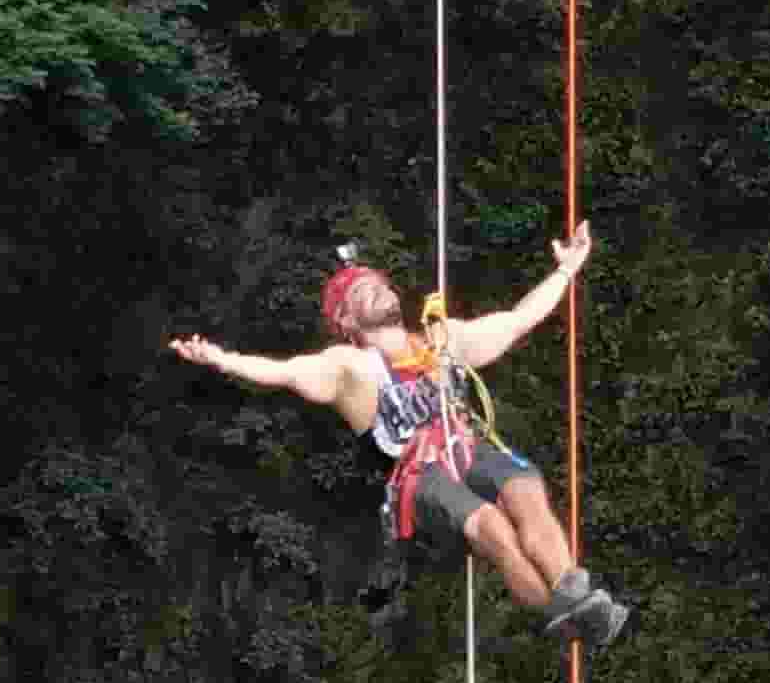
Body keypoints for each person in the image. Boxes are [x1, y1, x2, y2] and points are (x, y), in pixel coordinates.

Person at [170, 228, 636, 646]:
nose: (375, 290)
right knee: (494, 527)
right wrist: (223, 360)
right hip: (420, 477)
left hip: (468, 447)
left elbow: (518, 319)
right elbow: (286, 372)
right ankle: (564, 615)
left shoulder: (441, 341)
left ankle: (573, 590)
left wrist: (566, 270)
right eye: (361, 293)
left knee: (526, 492)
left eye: (378, 284)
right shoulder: (350, 367)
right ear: (346, 322)